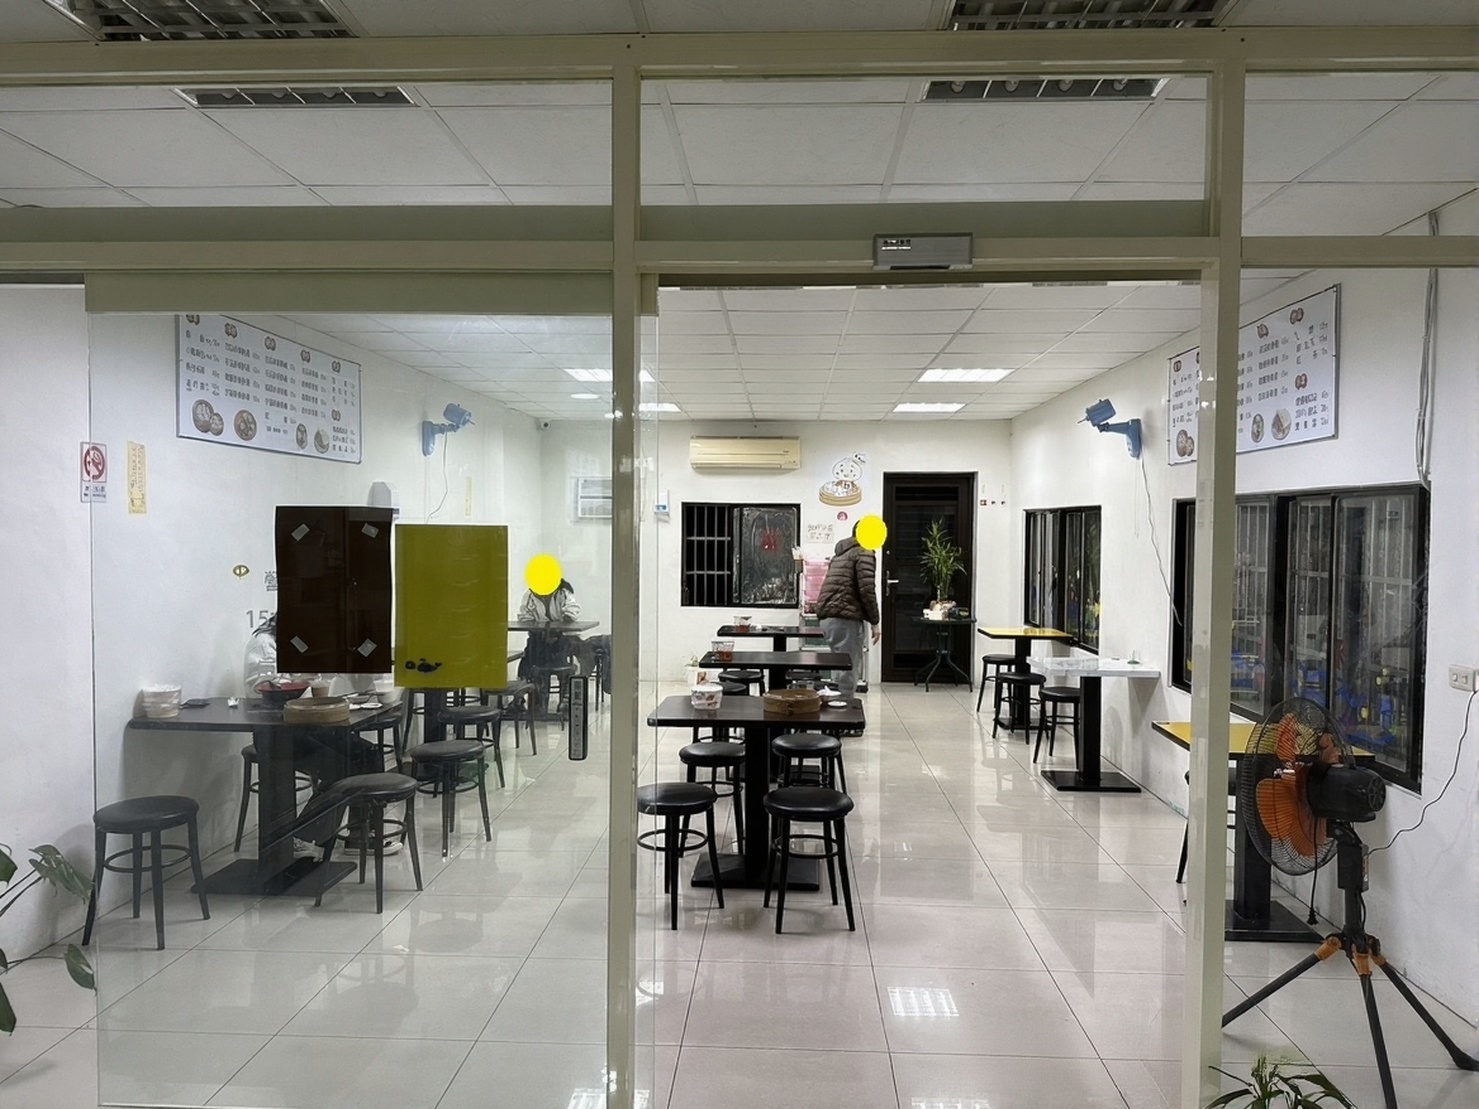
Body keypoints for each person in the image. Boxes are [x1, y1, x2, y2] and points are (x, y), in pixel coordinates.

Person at [814, 523, 881, 701]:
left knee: (839, 668)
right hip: (845, 618)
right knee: (848, 670)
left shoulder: (841, 553)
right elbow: (867, 590)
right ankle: (843, 713)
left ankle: (836, 709)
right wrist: (875, 621)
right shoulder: (864, 552)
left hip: (830, 618)